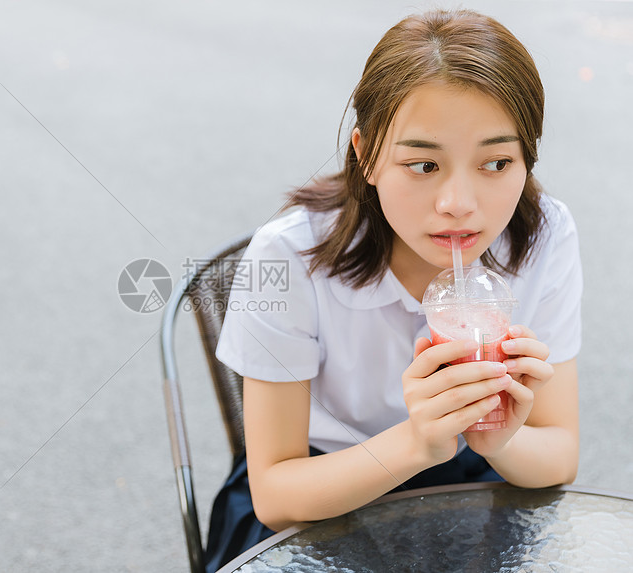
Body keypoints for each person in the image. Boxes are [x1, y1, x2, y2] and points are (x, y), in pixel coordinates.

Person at [205, 8, 581, 571]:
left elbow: (559, 454)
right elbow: (277, 495)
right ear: (366, 154)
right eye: (424, 165)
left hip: (471, 495)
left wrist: (500, 439)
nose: (459, 202)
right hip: (319, 506)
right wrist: (416, 444)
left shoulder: (543, 236)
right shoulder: (286, 257)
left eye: (497, 162)